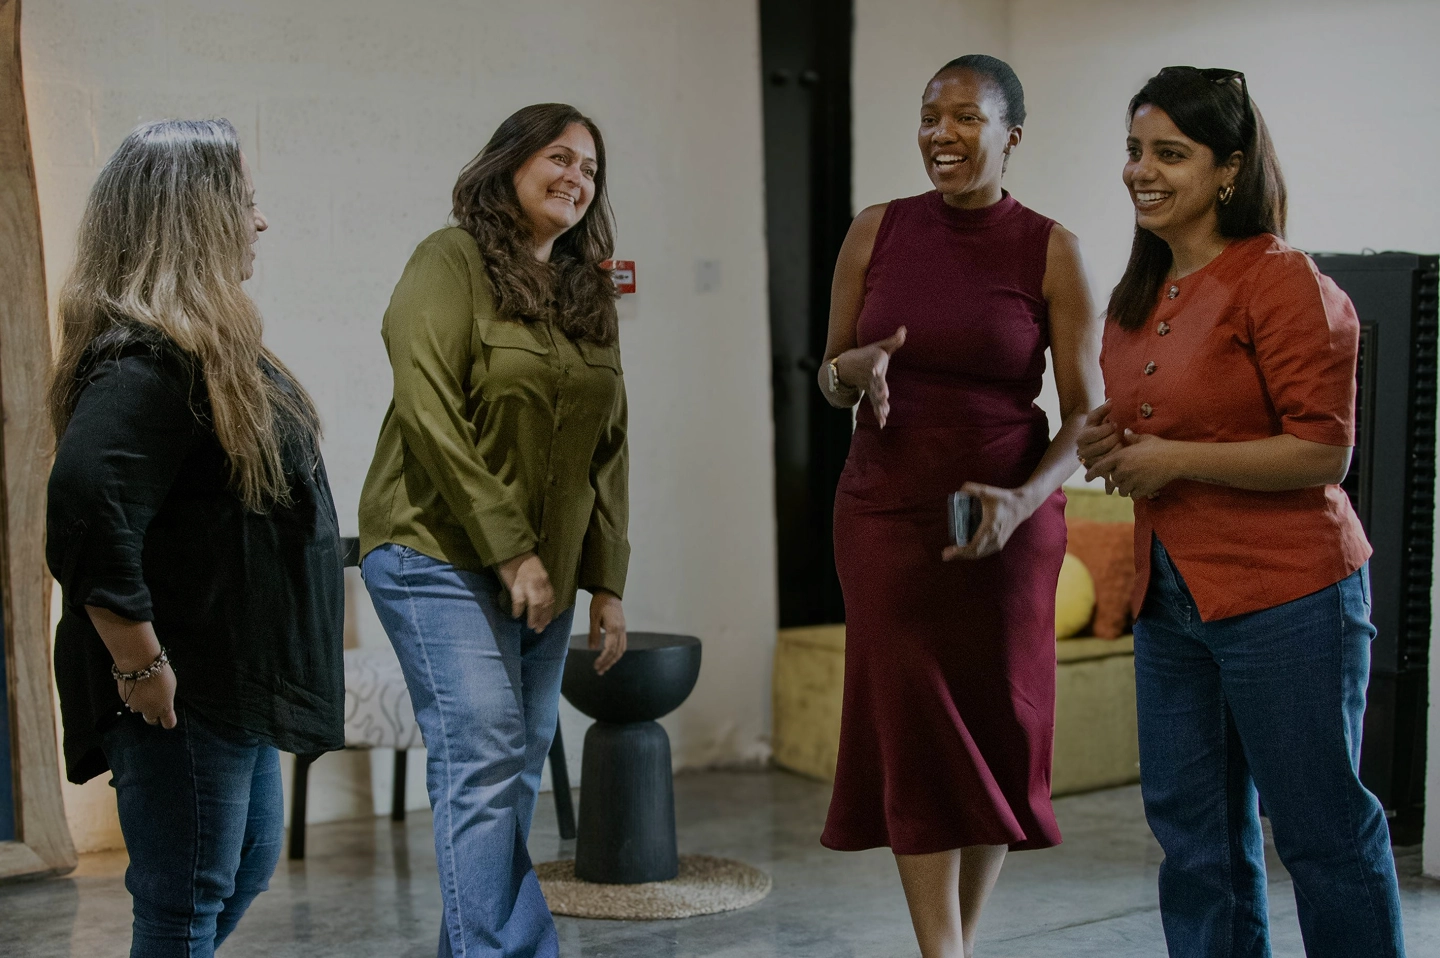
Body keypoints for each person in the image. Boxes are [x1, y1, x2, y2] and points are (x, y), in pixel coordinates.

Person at [1078, 66, 1406, 958]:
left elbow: (1323, 452)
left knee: (1322, 833)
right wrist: (1112, 442)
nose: (1141, 170)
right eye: (1135, 150)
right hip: (1170, 601)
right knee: (1194, 842)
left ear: (1229, 169)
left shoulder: (1283, 280)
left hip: (1288, 598)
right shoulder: (1138, 295)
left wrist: (1171, 459)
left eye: (1170, 153)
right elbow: (1163, 420)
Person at [818, 55, 1103, 958]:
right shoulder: (876, 230)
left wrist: (1023, 502)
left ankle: (957, 948)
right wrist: (852, 370)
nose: (942, 134)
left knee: (996, 735)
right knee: (915, 729)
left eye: (966, 118)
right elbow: (828, 375)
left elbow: (1086, 414)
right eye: (930, 116)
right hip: (886, 512)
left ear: (1010, 136)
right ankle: (941, 951)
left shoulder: (1052, 249)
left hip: (1006, 518)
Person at [46, 119, 344, 958]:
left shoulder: (201, 348)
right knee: (183, 902)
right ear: (194, 216)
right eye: (246, 202)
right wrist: (140, 663)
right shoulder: (146, 362)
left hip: (230, 680)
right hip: (184, 687)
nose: (260, 220)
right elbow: (83, 504)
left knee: (240, 869)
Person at [358, 102, 630, 958]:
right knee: (482, 755)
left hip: (544, 573)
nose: (577, 177)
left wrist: (607, 581)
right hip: (433, 549)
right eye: (560, 157)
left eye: (590, 168)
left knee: (512, 768)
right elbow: (428, 408)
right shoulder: (449, 260)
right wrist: (511, 548)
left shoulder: (588, 293)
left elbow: (608, 447)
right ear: (509, 163)